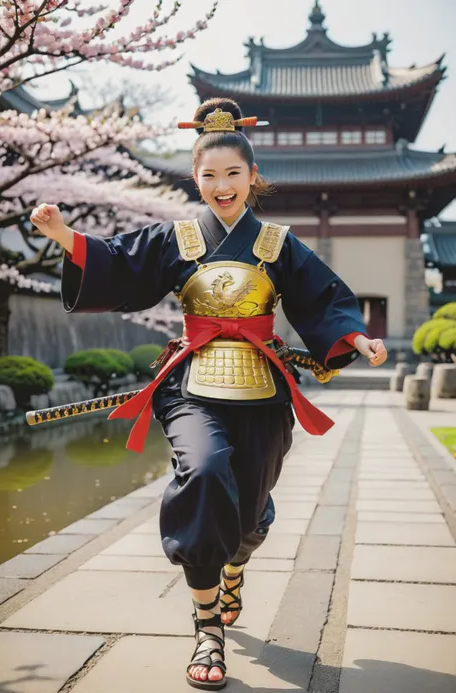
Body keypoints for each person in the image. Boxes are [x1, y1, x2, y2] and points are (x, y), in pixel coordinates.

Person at [30, 97, 387, 690]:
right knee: (204, 472)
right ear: (195, 178)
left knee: (248, 510)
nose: (221, 185)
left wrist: (355, 336)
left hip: (263, 386)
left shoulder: (278, 244)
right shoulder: (178, 238)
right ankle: (207, 627)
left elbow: (323, 299)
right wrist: (63, 234)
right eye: (209, 174)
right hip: (193, 383)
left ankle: (236, 563)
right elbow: (121, 262)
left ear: (253, 179)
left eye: (233, 174)